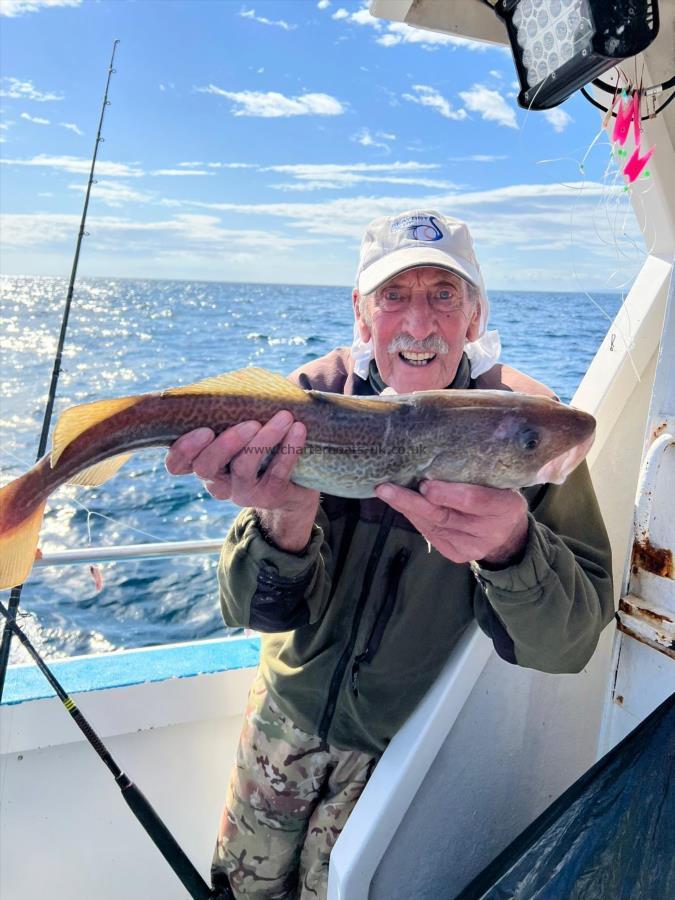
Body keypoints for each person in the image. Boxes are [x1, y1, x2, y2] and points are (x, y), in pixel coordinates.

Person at [165, 210, 614, 900]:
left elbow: (570, 646)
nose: (417, 323)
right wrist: (283, 511)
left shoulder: (525, 430)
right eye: (393, 295)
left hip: (401, 752)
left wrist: (507, 549)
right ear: (360, 311)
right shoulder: (306, 401)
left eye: (443, 293)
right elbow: (248, 609)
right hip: (280, 720)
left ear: (474, 315)